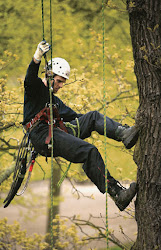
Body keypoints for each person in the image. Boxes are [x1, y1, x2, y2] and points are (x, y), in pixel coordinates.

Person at [23, 41, 139, 211]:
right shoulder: (35, 89)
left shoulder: (55, 101)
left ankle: (124, 134)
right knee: (89, 151)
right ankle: (117, 194)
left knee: (92, 117)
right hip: (42, 135)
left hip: (55, 131)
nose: (61, 86)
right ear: (49, 75)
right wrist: (37, 57)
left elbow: (75, 117)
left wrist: (91, 124)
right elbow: (29, 79)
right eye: (60, 81)